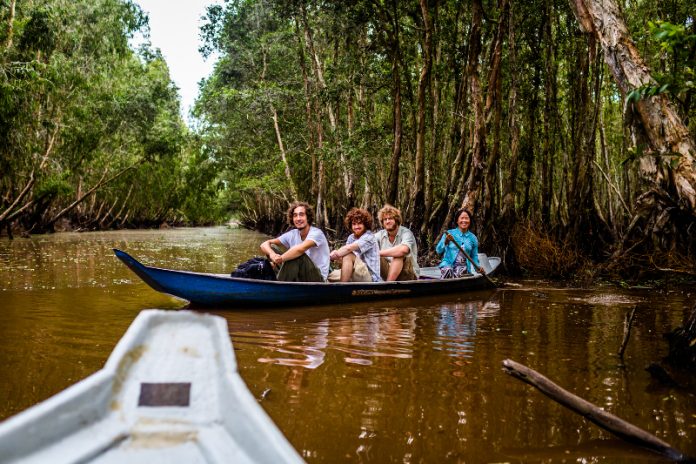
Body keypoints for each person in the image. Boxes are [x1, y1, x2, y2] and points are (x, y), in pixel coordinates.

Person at [260, 201, 330, 282]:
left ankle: (278, 285)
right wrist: (272, 255)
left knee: (297, 255)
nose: (298, 218)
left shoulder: (317, 233)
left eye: (301, 215)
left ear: (308, 217)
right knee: (272, 247)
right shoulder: (292, 234)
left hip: (317, 278)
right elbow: (264, 244)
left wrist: (281, 259)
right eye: (295, 215)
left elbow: (299, 250)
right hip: (299, 275)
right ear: (292, 219)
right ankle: (278, 279)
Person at [329, 208, 382, 282]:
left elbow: (348, 249)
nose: (356, 226)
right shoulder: (351, 237)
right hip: (355, 272)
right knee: (330, 276)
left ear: (365, 224)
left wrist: (332, 256)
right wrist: (336, 256)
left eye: (359, 223)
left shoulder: (369, 236)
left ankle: (341, 287)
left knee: (348, 255)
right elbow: (343, 257)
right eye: (354, 224)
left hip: (370, 277)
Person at [375, 204, 420, 281]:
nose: (387, 221)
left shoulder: (406, 233)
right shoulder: (380, 234)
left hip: (408, 274)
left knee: (398, 254)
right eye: (385, 219)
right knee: (369, 253)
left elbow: (403, 250)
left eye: (390, 218)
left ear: (396, 220)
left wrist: (378, 252)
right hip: (388, 273)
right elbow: (368, 245)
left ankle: (388, 286)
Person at [435, 208, 481, 279]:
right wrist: (446, 242)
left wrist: (478, 268)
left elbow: (474, 257)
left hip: (464, 269)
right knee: (448, 270)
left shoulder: (473, 238)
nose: (464, 221)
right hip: (448, 265)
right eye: (462, 218)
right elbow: (438, 250)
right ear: (457, 220)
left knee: (460, 273)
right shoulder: (449, 233)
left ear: (470, 221)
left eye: (467, 218)